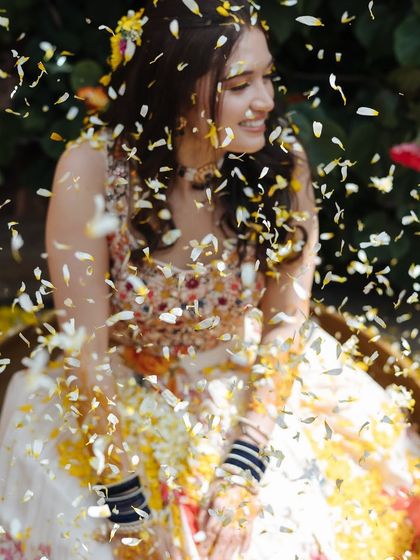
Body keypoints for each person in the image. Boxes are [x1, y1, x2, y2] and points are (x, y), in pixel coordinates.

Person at [0, 1, 419, 559]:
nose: (266, 101)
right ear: (171, 90)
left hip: (249, 383)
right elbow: (89, 351)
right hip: (117, 392)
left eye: (267, 77)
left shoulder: (281, 164)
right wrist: (124, 501)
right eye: (240, 84)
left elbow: (285, 323)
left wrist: (244, 467)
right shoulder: (93, 169)